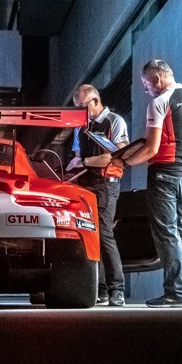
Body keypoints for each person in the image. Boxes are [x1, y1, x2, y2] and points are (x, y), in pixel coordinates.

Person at [110, 59, 182, 307]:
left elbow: (151, 148)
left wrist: (123, 163)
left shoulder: (159, 103)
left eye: (146, 84)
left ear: (157, 78)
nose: (146, 90)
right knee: (175, 233)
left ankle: (177, 293)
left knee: (167, 234)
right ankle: (177, 291)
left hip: (164, 175)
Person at [64, 85, 128, 306]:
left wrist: (84, 162)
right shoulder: (80, 127)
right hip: (85, 185)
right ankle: (100, 289)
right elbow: (77, 156)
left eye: (82, 107)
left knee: (104, 234)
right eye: (76, 108)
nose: (79, 111)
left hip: (106, 185)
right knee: (89, 235)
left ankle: (117, 289)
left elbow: (118, 155)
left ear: (95, 101)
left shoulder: (114, 121)